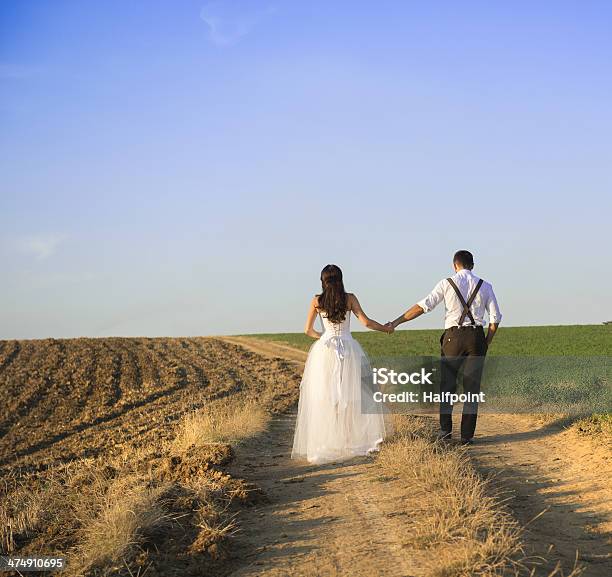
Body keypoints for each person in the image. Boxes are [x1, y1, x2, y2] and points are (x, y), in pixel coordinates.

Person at [387, 250, 502, 444]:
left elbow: (423, 306)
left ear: (454, 265)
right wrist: (486, 341)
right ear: (472, 265)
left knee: (447, 386)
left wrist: (396, 322)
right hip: (476, 337)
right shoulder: (486, 286)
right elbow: (496, 318)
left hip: (453, 338)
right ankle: (466, 436)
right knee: (472, 390)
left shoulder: (446, 283)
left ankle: (445, 431)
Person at [291, 264, 392, 464]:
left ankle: (330, 441)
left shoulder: (317, 301)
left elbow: (307, 330)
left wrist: (323, 338)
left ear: (323, 280)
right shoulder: (349, 298)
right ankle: (348, 440)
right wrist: (386, 329)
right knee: (351, 394)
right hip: (348, 348)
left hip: (325, 351)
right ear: (340, 279)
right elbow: (366, 322)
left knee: (327, 396)